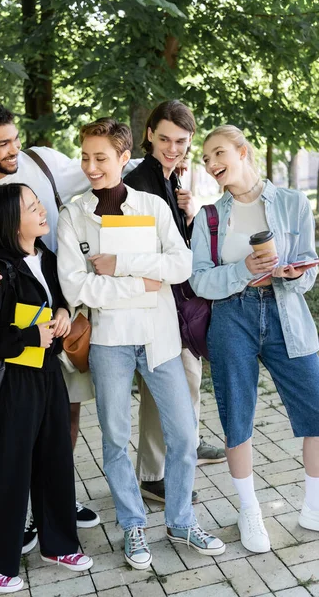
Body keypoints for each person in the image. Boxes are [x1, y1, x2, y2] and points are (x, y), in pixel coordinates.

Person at [57, 117, 226, 570]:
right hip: (110, 342)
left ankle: (180, 520)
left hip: (159, 338)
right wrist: (142, 283)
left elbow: (181, 265)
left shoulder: (152, 205)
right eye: (86, 157)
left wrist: (121, 264)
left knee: (184, 435)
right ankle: (132, 524)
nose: (91, 166)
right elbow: (77, 289)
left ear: (123, 158)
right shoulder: (73, 216)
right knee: (114, 438)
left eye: (101, 158)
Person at [0, 101, 102, 541]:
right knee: (18, 424)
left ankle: (54, 496)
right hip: (14, 329)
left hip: (62, 311)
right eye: (2, 144)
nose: (15, 149)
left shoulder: (43, 161)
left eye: (14, 138)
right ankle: (25, 508)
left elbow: (101, 175)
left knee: (64, 412)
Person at [0, 183, 93, 593]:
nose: (41, 210)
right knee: (12, 468)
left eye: (38, 203)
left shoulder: (44, 256)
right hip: (11, 382)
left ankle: (59, 543)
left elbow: (60, 298)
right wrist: (32, 337)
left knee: (54, 457)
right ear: (11, 222)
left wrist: (65, 313)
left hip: (47, 373)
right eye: (32, 208)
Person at [190, 124, 319, 553]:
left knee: (315, 408)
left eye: (218, 153)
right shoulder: (209, 217)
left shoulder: (292, 202)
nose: (210, 164)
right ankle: (250, 512)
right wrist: (247, 267)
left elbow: (309, 269)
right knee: (237, 419)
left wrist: (291, 275)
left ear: (242, 152)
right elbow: (201, 283)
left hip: (287, 312)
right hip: (233, 316)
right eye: (205, 159)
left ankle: (314, 506)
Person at [125, 100, 226, 504]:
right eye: (164, 138)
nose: (172, 147)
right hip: (154, 301)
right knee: (164, 386)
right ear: (149, 134)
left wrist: (187, 217)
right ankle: (153, 474)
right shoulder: (137, 181)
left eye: (181, 141)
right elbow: (135, 251)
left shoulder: (170, 177)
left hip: (177, 299)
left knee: (185, 381)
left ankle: (185, 448)